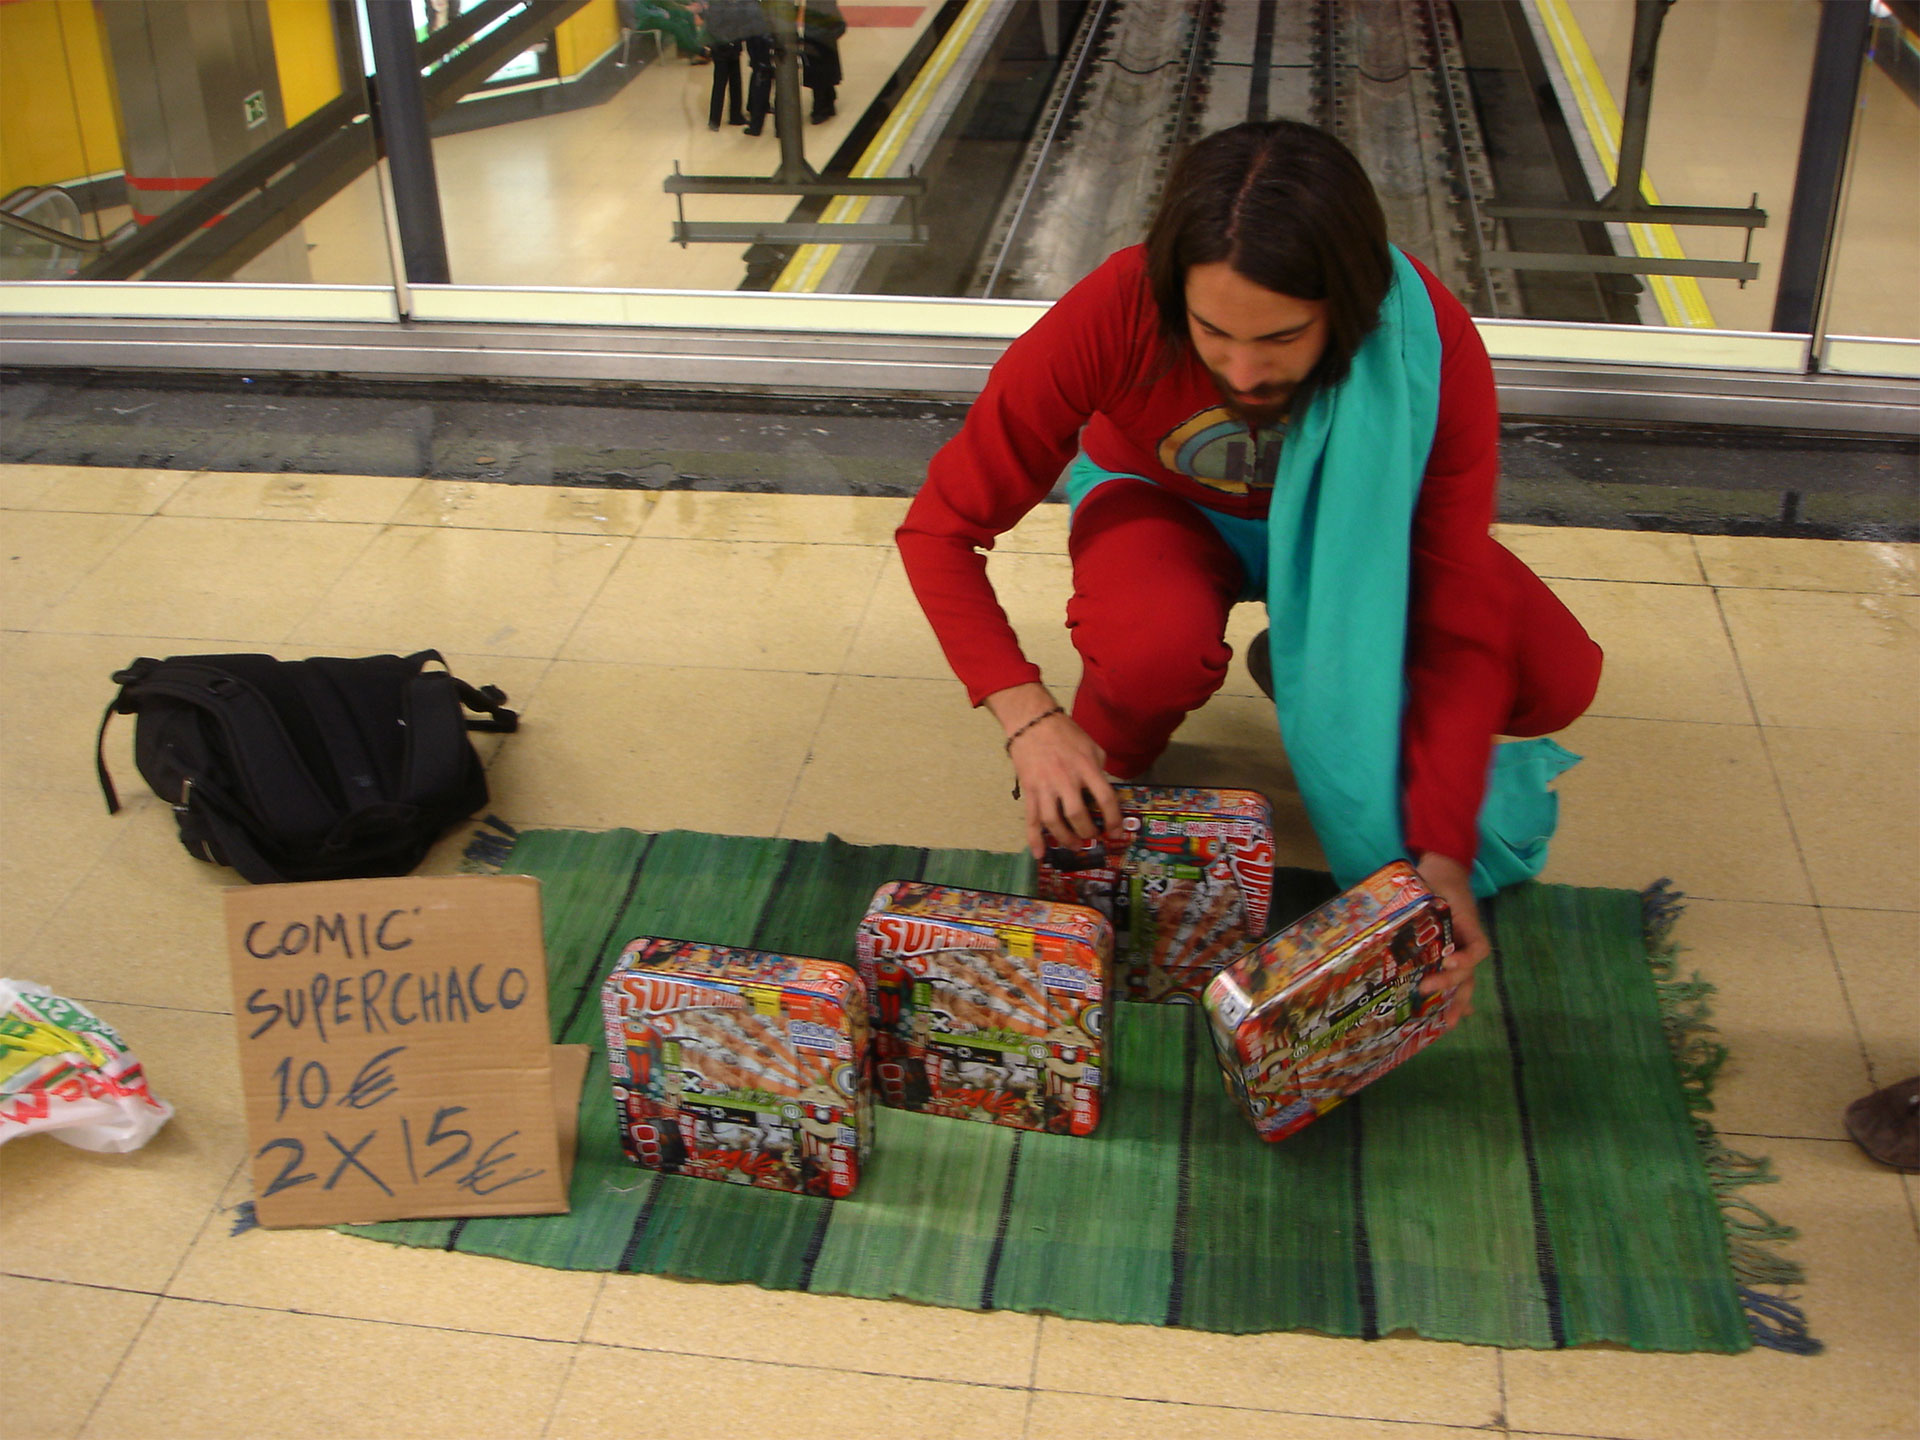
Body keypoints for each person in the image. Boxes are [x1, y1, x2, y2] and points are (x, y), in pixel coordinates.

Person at [895, 121, 1604, 1023]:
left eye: (1281, 338)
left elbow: (1457, 610)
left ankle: (1301, 657)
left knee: (1555, 677)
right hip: (1164, 506)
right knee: (1151, 652)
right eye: (1211, 333)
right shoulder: (1117, 308)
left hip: (1359, 539)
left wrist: (1442, 852)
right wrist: (1029, 718)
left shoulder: (1423, 345)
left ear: (1347, 307)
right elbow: (938, 529)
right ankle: (1120, 751)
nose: (1241, 368)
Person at [700, 0, 766, 131]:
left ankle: (735, 116)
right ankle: (715, 119)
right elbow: (713, 26)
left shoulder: (731, 4)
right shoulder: (718, 5)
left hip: (732, 45)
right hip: (722, 47)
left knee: (736, 82)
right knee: (720, 83)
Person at [799, 0, 846, 123]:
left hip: (815, 41)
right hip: (823, 42)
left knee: (818, 78)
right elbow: (840, 25)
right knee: (825, 75)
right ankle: (828, 103)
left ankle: (820, 109)